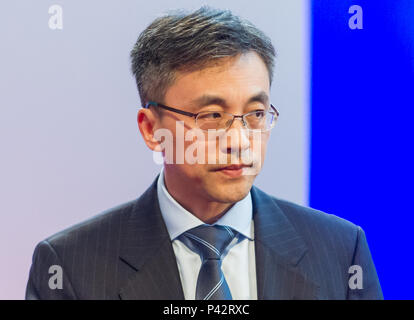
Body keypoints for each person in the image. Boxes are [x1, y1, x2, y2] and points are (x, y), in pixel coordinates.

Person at [25, 6, 383, 300]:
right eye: (212, 116)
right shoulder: (69, 265)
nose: (239, 140)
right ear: (152, 129)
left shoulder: (339, 250)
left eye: (256, 114)